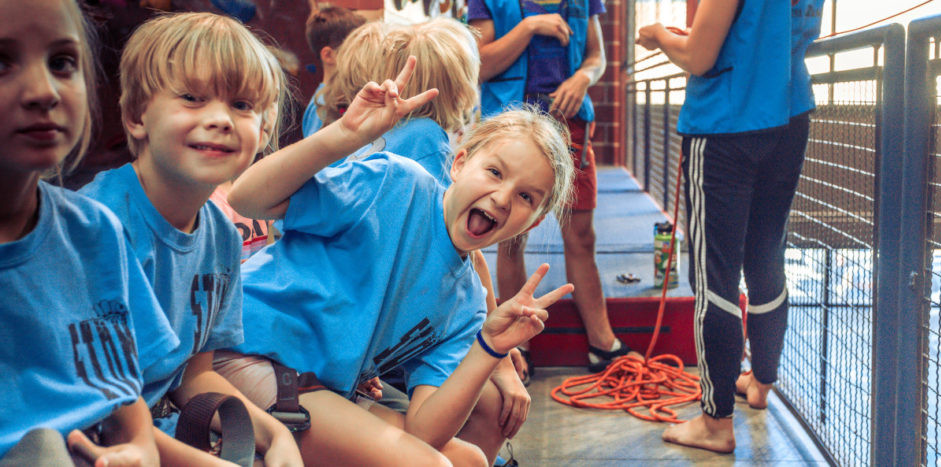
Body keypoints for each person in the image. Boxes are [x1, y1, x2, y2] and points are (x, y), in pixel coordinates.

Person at [218, 57, 576, 466]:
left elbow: (426, 430)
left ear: (536, 219)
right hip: (247, 354)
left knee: (470, 461)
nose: (502, 197)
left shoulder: (468, 303)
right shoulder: (395, 182)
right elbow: (246, 198)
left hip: (322, 388)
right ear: (459, 163)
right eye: (494, 172)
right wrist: (343, 136)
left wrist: (489, 346)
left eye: (526, 197)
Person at [78, 12, 303, 466]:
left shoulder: (220, 233)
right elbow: (97, 409)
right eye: (193, 98)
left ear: (262, 131)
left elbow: (193, 377)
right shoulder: (96, 228)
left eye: (241, 105)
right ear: (136, 117)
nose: (220, 119)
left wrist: (277, 437)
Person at [312, 18, 534, 443]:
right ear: (459, 85)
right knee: (490, 406)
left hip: (367, 320)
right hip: (382, 321)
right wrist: (501, 362)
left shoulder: (378, 137)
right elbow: (463, 249)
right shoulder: (424, 138)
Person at [636, 0, 824, 454]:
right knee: (766, 254)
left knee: (715, 276)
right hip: (789, 110)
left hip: (726, 122)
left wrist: (660, 36)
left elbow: (700, 58)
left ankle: (715, 421)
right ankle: (760, 383)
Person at [0, 0, 175, 465]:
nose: (43, 91)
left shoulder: (94, 231)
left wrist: (140, 447)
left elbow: (118, 385)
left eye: (61, 62)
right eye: (1, 62)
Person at [468, 0, 633, 376]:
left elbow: (597, 56)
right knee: (510, 235)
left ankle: (602, 343)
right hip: (513, 124)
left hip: (571, 125)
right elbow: (479, 65)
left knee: (581, 235)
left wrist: (583, 78)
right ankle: (513, 347)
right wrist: (528, 28)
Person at [301, 4, 366, 138]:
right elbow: (316, 155)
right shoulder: (321, 107)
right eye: (354, 49)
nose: (362, 56)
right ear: (329, 55)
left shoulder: (338, 97)